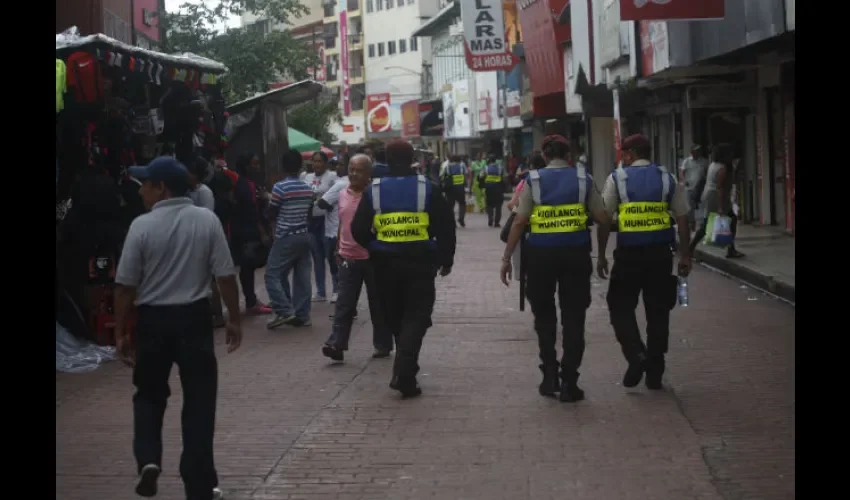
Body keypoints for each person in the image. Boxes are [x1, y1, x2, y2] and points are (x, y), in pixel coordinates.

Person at [114, 157, 241, 500]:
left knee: (149, 395)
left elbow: (125, 286)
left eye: (145, 184)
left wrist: (121, 331)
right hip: (194, 320)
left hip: (153, 321)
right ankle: (199, 484)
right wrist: (233, 317)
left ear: (161, 188)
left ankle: (148, 460)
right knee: (199, 401)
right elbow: (225, 274)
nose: (141, 191)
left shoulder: (141, 226)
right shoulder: (206, 220)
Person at [500, 135, 610, 402]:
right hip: (575, 256)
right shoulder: (584, 180)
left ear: (546, 156)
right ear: (569, 156)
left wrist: (506, 259)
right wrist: (602, 254)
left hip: (540, 258)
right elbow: (603, 218)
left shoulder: (534, 180)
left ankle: (549, 375)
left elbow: (519, 221)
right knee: (574, 318)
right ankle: (570, 381)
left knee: (545, 316)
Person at [351, 140, 456, 398]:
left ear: (386, 159)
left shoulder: (373, 191)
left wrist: (375, 248)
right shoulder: (427, 188)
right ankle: (405, 369)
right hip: (420, 263)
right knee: (417, 316)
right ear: (412, 158)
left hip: (385, 265)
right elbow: (446, 226)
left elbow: (357, 230)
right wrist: (446, 259)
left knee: (396, 317)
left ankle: (405, 369)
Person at [596, 134, 692, 391]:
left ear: (629, 154)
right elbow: (682, 220)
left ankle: (636, 355)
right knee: (658, 312)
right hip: (660, 256)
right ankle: (655, 370)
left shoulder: (618, 179)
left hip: (629, 256)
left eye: (623, 154)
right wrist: (685, 255)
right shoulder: (667, 178)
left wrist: (602, 253)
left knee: (619, 307)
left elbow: (604, 219)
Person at [321, 154, 393, 361]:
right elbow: (342, 223)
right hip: (348, 257)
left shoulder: (375, 195)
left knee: (378, 305)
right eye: (351, 169)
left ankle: (382, 344)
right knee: (344, 304)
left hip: (373, 258)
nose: (353, 174)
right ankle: (336, 344)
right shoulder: (342, 193)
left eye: (358, 170)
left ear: (369, 174)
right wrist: (338, 247)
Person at [265, 149, 315, 328]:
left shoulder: (280, 187)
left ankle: (284, 311)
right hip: (304, 234)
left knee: (272, 274)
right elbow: (309, 213)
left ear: (283, 166)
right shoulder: (308, 188)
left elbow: (272, 213)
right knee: (302, 277)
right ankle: (303, 315)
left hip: (286, 235)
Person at [231, 153, 273, 315]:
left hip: (244, 230)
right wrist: (262, 233)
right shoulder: (245, 184)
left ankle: (251, 300)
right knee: (248, 265)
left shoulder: (246, 183)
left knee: (247, 267)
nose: (258, 167)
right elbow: (251, 211)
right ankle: (251, 301)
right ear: (247, 166)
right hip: (247, 232)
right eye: (254, 164)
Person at [689, 143, 745, 259]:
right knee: (711, 223)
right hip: (716, 197)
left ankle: (730, 248)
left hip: (711, 195)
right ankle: (691, 247)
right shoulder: (722, 168)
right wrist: (720, 206)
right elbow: (720, 187)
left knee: (728, 220)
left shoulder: (714, 164)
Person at [303, 151, 339, 302]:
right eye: (314, 161)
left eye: (320, 161)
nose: (317, 164)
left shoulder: (332, 177)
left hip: (326, 221)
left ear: (325, 163)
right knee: (317, 257)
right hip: (311, 221)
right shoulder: (306, 177)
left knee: (330, 257)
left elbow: (335, 197)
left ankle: (337, 290)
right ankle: (320, 291)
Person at [679, 144, 709, 228]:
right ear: (692, 152)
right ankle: (692, 223)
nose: (697, 152)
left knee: (702, 204)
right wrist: (684, 181)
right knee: (690, 206)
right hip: (690, 187)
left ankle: (703, 223)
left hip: (701, 187)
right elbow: (682, 172)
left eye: (698, 151)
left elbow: (707, 171)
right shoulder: (687, 161)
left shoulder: (704, 161)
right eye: (696, 151)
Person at [479, 155, 507, 227]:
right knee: (498, 206)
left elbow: (481, 176)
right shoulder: (500, 168)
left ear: (489, 161)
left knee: (489, 204)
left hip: (489, 188)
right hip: (498, 188)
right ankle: (497, 222)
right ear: (495, 160)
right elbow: (504, 178)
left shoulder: (486, 168)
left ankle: (490, 218)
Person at [441, 155, 469, 227]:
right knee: (462, 204)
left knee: (450, 206)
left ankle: (452, 221)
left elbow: (442, 176)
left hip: (450, 189)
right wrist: (466, 184)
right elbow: (465, 175)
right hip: (460, 188)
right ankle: (461, 218)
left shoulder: (446, 166)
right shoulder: (462, 165)